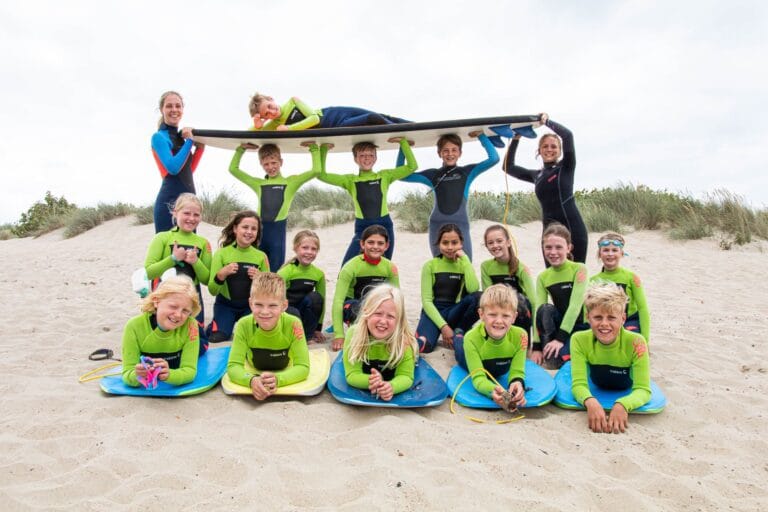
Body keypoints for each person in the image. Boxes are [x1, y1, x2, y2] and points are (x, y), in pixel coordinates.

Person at [502, 113, 588, 264]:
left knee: (578, 273)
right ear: (539, 150)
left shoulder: (566, 167)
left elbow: (568, 135)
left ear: (560, 151)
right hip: (548, 232)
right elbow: (507, 167)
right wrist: (516, 138)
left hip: (573, 230)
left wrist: (546, 122)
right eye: (545, 146)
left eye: (554, 146)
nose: (549, 149)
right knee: (552, 275)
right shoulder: (537, 176)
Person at [400, 132, 499, 260]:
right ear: (439, 153)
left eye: (454, 150)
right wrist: (403, 147)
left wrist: (481, 136)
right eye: (445, 150)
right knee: (439, 263)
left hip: (460, 223)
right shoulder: (433, 175)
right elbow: (402, 175)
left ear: (460, 153)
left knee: (466, 262)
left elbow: (494, 158)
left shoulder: (467, 172)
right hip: (437, 224)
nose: (450, 154)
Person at [319, 137, 417, 264]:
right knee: (348, 264)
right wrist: (324, 149)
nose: (367, 158)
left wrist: (403, 142)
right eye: (362, 155)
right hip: (363, 227)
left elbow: (412, 166)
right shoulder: (350, 180)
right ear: (355, 159)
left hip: (384, 225)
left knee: (384, 264)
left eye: (371, 155)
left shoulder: (384, 176)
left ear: (375, 158)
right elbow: (322, 175)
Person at [571, 281, 651, 434]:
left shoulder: (636, 342)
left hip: (625, 386)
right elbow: (578, 384)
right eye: (597, 317)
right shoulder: (579, 340)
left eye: (612, 318)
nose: (604, 324)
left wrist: (623, 404)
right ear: (588, 317)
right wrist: (589, 401)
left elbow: (643, 390)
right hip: (597, 385)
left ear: (623, 318)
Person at [228, 141, 323, 268]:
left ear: (281, 162)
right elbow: (233, 169)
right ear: (261, 164)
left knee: (275, 271)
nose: (270, 167)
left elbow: (316, 170)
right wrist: (241, 149)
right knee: (254, 269)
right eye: (266, 164)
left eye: (274, 163)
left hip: (277, 235)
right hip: (259, 234)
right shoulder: (259, 184)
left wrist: (313, 148)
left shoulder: (290, 182)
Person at [144, 193, 212, 355]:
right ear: (175, 213)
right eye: (186, 213)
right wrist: (173, 259)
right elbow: (148, 272)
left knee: (200, 347)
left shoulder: (203, 243)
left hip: (191, 298)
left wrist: (196, 262)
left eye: (196, 215)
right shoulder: (162, 238)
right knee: (159, 343)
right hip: (164, 296)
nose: (191, 218)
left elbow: (206, 280)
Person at [226, 272, 310, 401]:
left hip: (284, 367)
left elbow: (303, 367)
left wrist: (278, 379)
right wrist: (251, 380)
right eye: (258, 305)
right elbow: (233, 367)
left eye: (272, 305)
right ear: (250, 303)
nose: (265, 312)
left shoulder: (294, 324)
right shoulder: (244, 325)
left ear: (284, 306)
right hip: (254, 367)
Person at [453, 284, 528, 409]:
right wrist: (492, 391)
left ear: (514, 317)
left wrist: (517, 382)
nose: (499, 321)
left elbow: (517, 371)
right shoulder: (471, 339)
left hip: (495, 365)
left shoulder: (521, 336)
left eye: (505, 316)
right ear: (481, 314)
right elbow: (478, 378)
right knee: (459, 347)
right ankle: (458, 334)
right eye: (492, 315)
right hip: (470, 354)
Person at [342, 284, 418, 402]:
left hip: (394, 363)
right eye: (377, 313)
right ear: (366, 313)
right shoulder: (354, 335)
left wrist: (392, 387)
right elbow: (352, 374)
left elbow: (406, 376)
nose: (383, 321)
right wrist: (372, 381)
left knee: (416, 348)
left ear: (399, 320)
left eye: (390, 316)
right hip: (371, 372)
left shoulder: (405, 341)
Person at [121, 276, 201, 387]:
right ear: (156, 301)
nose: (178, 315)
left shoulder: (191, 325)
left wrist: (169, 375)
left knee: (202, 348)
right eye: (173, 306)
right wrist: (138, 375)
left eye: (185, 311)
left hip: (185, 342)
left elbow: (190, 371)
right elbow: (127, 375)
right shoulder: (134, 327)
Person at [331, 225, 400, 351]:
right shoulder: (350, 267)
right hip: (353, 306)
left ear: (386, 246)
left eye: (380, 243)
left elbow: (397, 299)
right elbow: (338, 301)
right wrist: (339, 335)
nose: (375, 246)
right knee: (360, 307)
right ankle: (360, 333)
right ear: (362, 244)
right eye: (371, 242)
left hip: (376, 307)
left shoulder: (390, 267)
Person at [415, 224, 480, 353]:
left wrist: (466, 260)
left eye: (454, 242)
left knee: (480, 297)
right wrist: (444, 327)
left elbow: (473, 290)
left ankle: (459, 330)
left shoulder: (464, 264)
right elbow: (427, 301)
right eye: (445, 243)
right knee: (425, 347)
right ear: (439, 244)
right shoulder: (430, 265)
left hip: (454, 312)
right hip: (433, 312)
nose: (450, 247)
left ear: (461, 243)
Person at [206, 211, 270, 342]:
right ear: (235, 229)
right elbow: (213, 291)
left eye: (254, 229)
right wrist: (221, 274)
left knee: (252, 337)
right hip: (225, 305)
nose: (249, 232)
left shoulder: (261, 256)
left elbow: (269, 291)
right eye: (245, 227)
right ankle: (215, 325)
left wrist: (260, 278)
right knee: (217, 337)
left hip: (250, 307)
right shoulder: (221, 254)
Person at [532, 223, 589, 368]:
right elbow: (539, 311)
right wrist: (536, 347)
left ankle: (558, 349)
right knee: (545, 309)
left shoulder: (579, 269)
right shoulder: (543, 277)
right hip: (560, 326)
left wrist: (560, 339)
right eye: (548, 247)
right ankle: (547, 349)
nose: (553, 252)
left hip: (580, 326)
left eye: (558, 247)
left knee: (561, 359)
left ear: (568, 248)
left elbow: (575, 307)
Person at [151, 91, 205, 233]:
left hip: (189, 203)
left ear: (182, 109)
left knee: (189, 246)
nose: (174, 110)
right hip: (169, 203)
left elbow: (188, 171)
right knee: (167, 246)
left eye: (178, 106)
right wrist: (190, 141)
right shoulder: (159, 137)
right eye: (169, 106)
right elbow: (173, 168)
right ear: (161, 110)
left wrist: (200, 149)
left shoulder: (181, 137)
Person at [590, 233, 651, 343]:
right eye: (606, 250)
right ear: (599, 254)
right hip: (604, 322)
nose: (610, 254)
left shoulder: (631, 277)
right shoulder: (593, 280)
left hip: (629, 321)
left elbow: (643, 308)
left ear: (621, 253)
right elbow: (588, 310)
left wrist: (645, 340)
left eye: (614, 250)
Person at [480, 224, 536, 337]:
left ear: (509, 242)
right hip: (498, 310)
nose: (495, 245)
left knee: (518, 299)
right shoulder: (486, 266)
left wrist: (536, 338)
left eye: (499, 241)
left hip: (520, 312)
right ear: (486, 246)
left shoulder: (521, 268)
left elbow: (533, 301)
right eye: (490, 243)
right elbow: (487, 297)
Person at [248, 93, 409, 131]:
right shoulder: (275, 125)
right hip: (336, 125)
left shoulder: (293, 101)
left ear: (271, 98)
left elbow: (315, 118)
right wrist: (257, 124)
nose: (271, 112)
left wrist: (289, 128)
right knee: (373, 118)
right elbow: (249, 135)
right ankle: (400, 131)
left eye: (269, 106)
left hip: (333, 112)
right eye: (266, 114)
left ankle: (414, 126)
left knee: (382, 116)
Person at [277, 230, 326, 344]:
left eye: (313, 249)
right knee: (293, 311)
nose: (309, 252)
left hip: (303, 313)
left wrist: (318, 328)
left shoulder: (318, 274)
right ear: (296, 248)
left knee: (316, 297)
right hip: (286, 313)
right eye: (305, 248)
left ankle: (307, 337)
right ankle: (292, 336)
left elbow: (321, 303)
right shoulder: (285, 272)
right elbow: (275, 301)